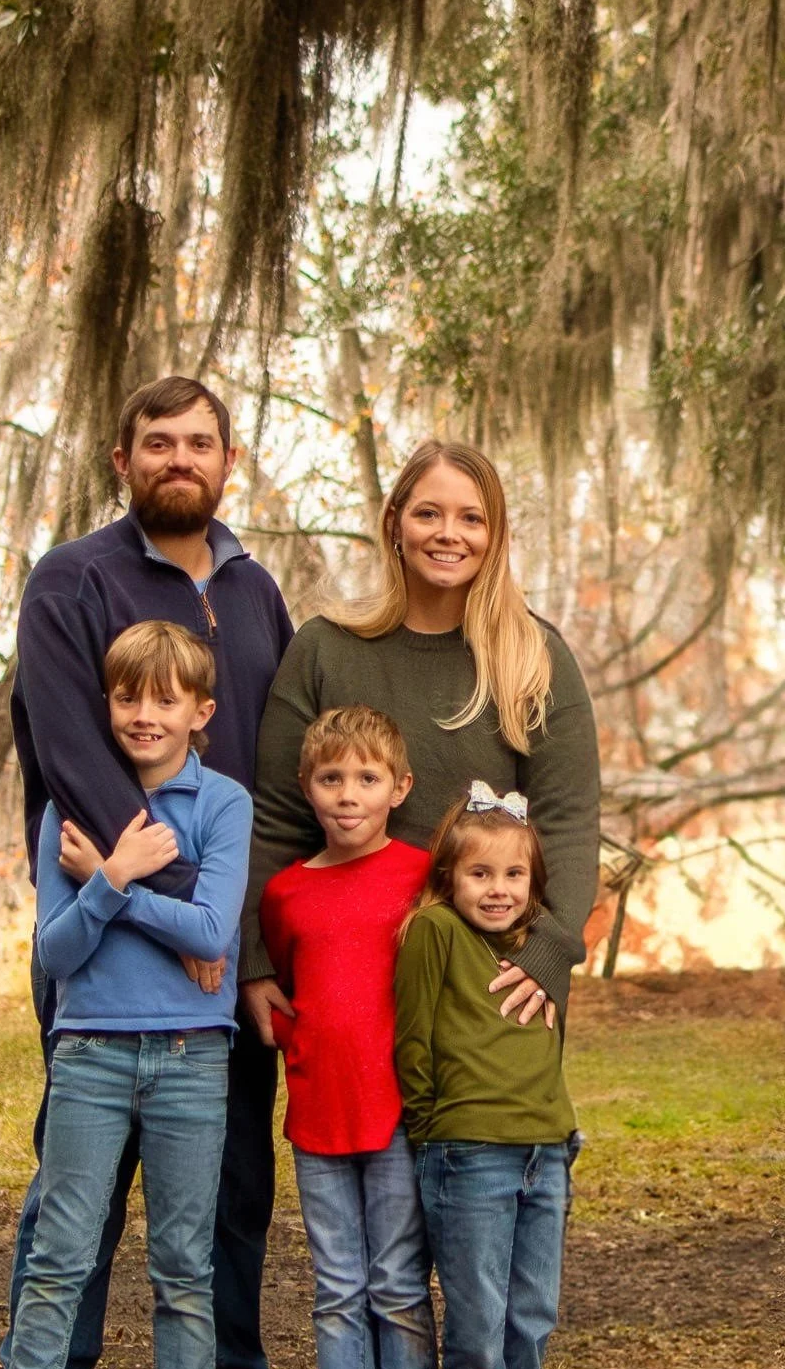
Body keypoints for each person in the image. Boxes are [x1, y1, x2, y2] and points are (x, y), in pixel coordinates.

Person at [6, 376, 316, 1369]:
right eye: (158, 441)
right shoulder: (74, 581)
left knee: (229, 1189)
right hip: (116, 951)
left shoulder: (252, 586)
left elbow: (270, 773)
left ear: (230, 459)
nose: (179, 457)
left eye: (200, 442)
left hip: (225, 960)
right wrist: (187, 907)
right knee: (78, 1204)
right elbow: (73, 762)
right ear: (122, 456)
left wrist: (242, 939)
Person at [0, 621, 250, 1369]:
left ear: (200, 711)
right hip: (93, 1052)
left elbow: (214, 932)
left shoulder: (222, 805)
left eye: (165, 699)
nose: (145, 715)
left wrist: (114, 878)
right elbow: (58, 955)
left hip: (192, 1057)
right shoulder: (70, 807)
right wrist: (108, 879)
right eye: (128, 697)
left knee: (184, 1265)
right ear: (105, 705)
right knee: (60, 1258)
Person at [241, 439, 600, 1051]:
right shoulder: (325, 649)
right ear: (395, 523)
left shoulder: (534, 656)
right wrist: (254, 957)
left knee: (487, 1146)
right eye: (428, 513)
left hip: (495, 972)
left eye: (471, 518)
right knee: (354, 1146)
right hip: (351, 973)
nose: (448, 534)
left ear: (495, 534)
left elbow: (565, 822)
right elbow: (276, 818)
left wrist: (549, 951)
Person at [258, 706, 437, 1369]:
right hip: (318, 1115)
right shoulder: (287, 892)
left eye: (367, 778)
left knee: (396, 1281)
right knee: (336, 1285)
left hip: (396, 1113)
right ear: (307, 788)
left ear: (398, 787)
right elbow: (286, 989)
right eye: (331, 779)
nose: (348, 795)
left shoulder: (423, 877)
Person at [394, 786, 580, 1369]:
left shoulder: (541, 949)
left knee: (532, 1310)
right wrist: (432, 1124)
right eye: (479, 874)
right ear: (449, 877)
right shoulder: (435, 931)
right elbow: (413, 1039)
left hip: (545, 1146)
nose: (497, 890)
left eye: (512, 876)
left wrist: (556, 1131)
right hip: (468, 1150)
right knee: (480, 1308)